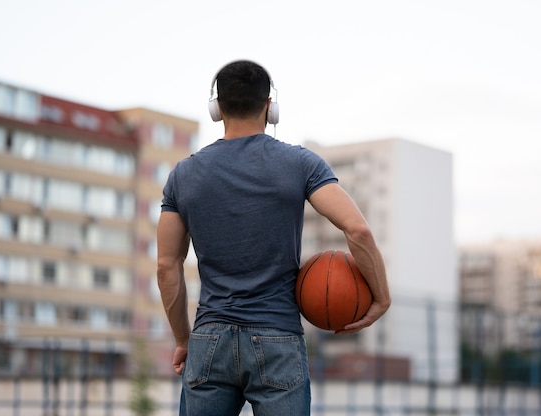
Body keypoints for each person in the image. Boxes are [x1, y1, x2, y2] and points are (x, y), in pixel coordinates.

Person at [157, 60, 390, 416]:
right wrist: (381, 298)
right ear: (270, 106)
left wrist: (182, 339)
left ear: (216, 108)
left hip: (209, 339)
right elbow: (357, 229)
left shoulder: (183, 174)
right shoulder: (301, 163)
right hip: (276, 336)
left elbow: (167, 265)